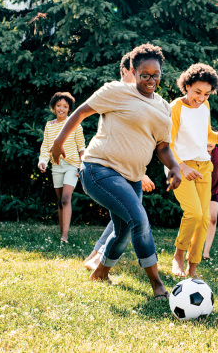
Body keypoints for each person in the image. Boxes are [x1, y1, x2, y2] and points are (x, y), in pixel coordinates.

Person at [51, 44, 181, 299]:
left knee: (123, 231)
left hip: (132, 177)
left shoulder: (164, 107)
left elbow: (163, 147)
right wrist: (58, 142)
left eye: (156, 75)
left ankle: (100, 272)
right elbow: (80, 113)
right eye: (144, 75)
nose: (151, 80)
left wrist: (174, 166)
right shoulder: (116, 91)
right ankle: (157, 284)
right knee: (139, 219)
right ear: (133, 71)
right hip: (99, 169)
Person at [168, 63, 218, 278]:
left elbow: (208, 135)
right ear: (186, 86)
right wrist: (182, 167)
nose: (202, 98)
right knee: (194, 213)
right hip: (180, 167)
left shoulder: (205, 107)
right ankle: (178, 254)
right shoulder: (175, 108)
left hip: (204, 167)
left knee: (205, 219)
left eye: (206, 94)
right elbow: (167, 143)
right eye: (197, 92)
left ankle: (192, 267)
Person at [83, 52, 157, 271]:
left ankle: (97, 258)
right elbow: (115, 138)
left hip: (127, 170)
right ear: (127, 72)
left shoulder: (143, 99)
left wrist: (138, 170)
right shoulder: (117, 92)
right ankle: (96, 258)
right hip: (106, 167)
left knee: (124, 218)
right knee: (130, 214)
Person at [38, 92, 85, 243]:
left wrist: (83, 166)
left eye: (65, 106)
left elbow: (81, 147)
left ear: (69, 109)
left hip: (72, 165)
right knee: (60, 201)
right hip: (56, 166)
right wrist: (42, 161)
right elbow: (46, 146)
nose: (61, 109)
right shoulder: (49, 126)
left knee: (66, 198)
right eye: (59, 105)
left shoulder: (75, 124)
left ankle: (65, 236)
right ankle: (62, 234)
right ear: (54, 107)